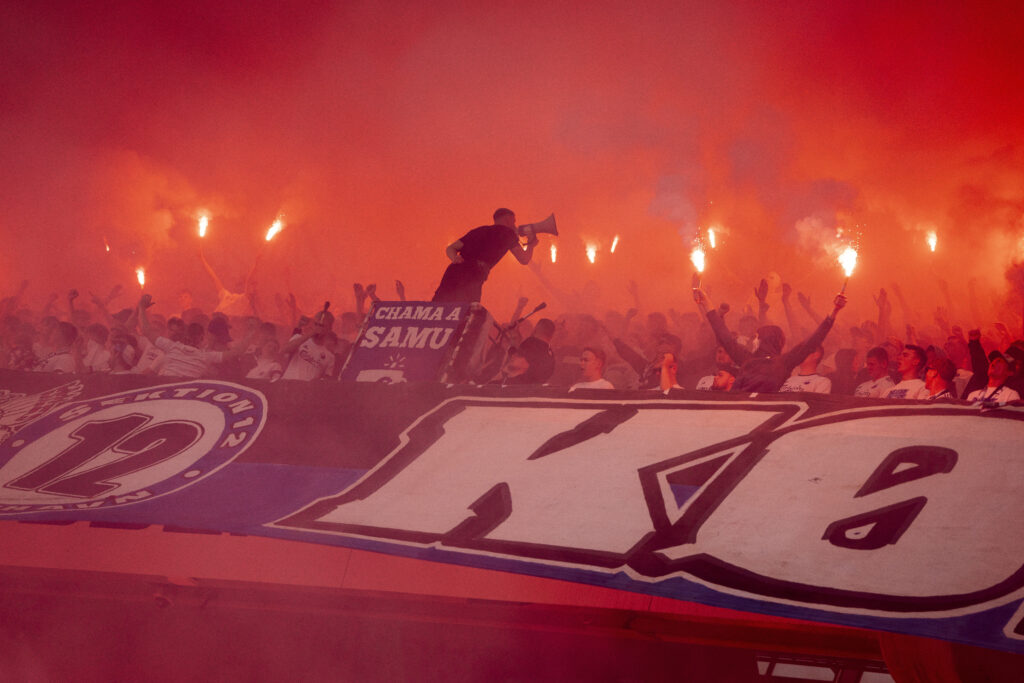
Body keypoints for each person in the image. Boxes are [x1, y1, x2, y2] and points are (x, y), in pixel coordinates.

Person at [694, 286, 846, 394]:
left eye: (757, 337)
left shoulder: (783, 362)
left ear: (765, 340)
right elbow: (723, 335)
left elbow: (812, 341)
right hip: (735, 414)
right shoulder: (746, 359)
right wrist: (706, 303)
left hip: (763, 421)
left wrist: (834, 312)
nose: (754, 340)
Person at [431, 208, 536, 303]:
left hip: (453, 271)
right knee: (467, 312)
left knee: (438, 307)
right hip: (473, 274)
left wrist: (455, 258)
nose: (514, 226)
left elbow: (450, 248)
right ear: (507, 219)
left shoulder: (478, 230)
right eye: (513, 222)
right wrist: (531, 244)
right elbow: (524, 259)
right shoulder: (508, 234)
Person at [281, 308, 336, 381]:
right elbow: (284, 350)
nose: (318, 327)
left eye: (322, 326)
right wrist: (310, 333)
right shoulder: (299, 338)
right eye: (316, 324)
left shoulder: (330, 356)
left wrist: (319, 381)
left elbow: (327, 378)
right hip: (288, 385)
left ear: (329, 328)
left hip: (307, 391)